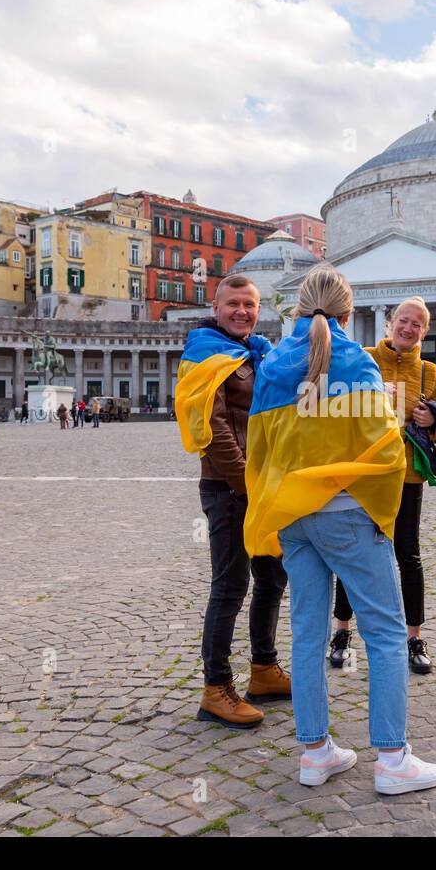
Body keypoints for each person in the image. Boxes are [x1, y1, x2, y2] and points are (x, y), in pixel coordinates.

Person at [245, 265, 436, 794]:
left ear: (296, 310)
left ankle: (315, 753)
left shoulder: (271, 365)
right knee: (383, 632)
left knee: (307, 634)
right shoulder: (356, 361)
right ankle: (392, 759)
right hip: (346, 514)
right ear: (347, 313)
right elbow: (384, 448)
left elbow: (259, 452)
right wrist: (380, 513)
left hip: (293, 517)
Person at [176, 273, 291, 729]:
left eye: (250, 305)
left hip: (263, 485)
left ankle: (263, 669)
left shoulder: (259, 353)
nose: (243, 311)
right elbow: (213, 429)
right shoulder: (205, 353)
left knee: (271, 576)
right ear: (217, 305)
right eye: (234, 304)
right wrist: (248, 483)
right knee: (229, 584)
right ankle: (216, 688)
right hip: (229, 487)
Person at [328, 296, 436, 675]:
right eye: (404, 321)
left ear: (424, 333)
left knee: (408, 555)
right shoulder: (364, 358)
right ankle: (342, 631)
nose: (409, 328)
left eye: (417, 325)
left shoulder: (429, 373)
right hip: (365, 474)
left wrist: (430, 423)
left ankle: (414, 638)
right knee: (354, 553)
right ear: (391, 322)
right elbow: (338, 409)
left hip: (407, 476)